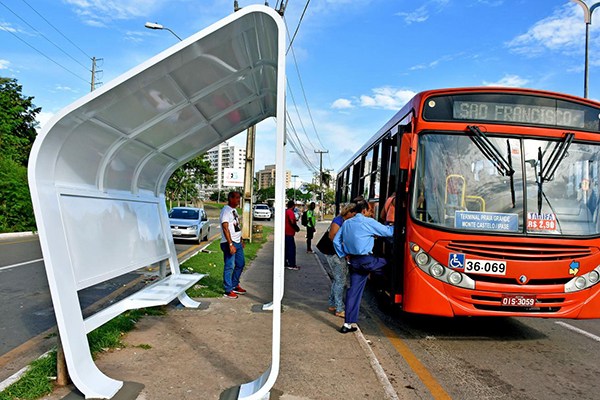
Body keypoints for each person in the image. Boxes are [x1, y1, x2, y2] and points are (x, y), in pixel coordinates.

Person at [333, 201, 393, 333]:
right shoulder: (368, 222)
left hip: (353, 262)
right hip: (367, 261)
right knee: (390, 263)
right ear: (365, 210)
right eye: (370, 210)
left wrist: (344, 254)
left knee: (353, 291)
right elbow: (388, 232)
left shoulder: (347, 223)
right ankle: (391, 287)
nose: (371, 213)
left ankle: (347, 324)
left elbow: (336, 240)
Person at [326, 203, 357, 318]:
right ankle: (339, 308)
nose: (354, 216)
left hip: (338, 254)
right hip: (335, 254)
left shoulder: (344, 221)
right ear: (348, 212)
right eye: (353, 214)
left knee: (337, 280)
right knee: (340, 281)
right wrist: (344, 250)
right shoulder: (338, 221)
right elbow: (332, 237)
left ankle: (332, 303)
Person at [220, 191, 246, 299]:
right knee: (229, 266)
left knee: (240, 263)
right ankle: (228, 289)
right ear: (230, 198)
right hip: (228, 243)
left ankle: (235, 284)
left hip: (237, 242)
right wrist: (230, 244)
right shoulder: (225, 211)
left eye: (239, 198)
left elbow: (236, 226)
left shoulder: (234, 211)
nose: (238, 200)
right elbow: (225, 228)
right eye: (236, 198)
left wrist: (240, 239)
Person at [285, 199, 301, 270]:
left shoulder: (285, 212)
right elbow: (292, 222)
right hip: (289, 233)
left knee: (286, 249)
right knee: (291, 249)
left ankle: (286, 263)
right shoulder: (290, 212)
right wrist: (296, 228)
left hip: (285, 233)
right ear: (293, 206)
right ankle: (292, 264)